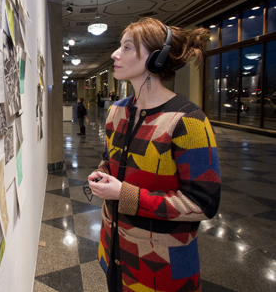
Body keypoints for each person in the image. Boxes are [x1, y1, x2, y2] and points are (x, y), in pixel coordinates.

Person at [88, 17, 220, 292]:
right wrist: (102, 173)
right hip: (114, 254)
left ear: (156, 59)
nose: (115, 54)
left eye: (126, 47)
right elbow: (111, 160)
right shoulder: (117, 111)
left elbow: (203, 203)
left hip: (162, 271)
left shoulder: (189, 120)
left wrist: (123, 193)